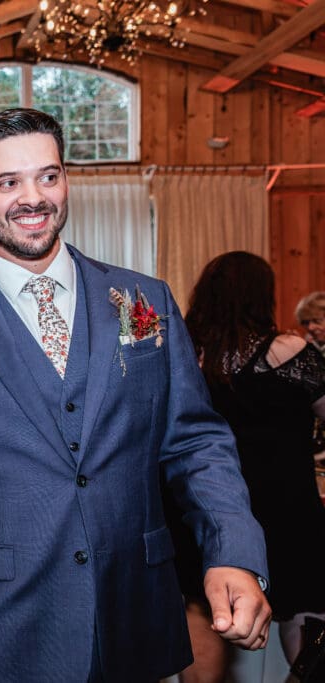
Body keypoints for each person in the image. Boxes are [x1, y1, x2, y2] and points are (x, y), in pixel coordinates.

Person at [0, 108, 271, 681]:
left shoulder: (144, 299)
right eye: (7, 182)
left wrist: (234, 549)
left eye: (48, 176)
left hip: (131, 612)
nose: (33, 197)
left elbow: (195, 443)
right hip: (2, 622)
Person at [172, 252, 325, 677]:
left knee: (202, 605)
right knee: (305, 609)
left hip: (205, 507)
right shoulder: (290, 351)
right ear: (262, 296)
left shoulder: (189, 356)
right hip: (287, 508)